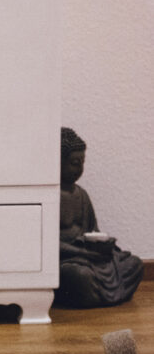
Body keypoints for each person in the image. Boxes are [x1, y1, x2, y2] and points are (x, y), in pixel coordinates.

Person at [57, 127, 143, 308]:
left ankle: (92, 295)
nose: (79, 168)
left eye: (82, 162)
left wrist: (103, 245)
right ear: (58, 161)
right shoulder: (50, 197)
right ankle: (84, 295)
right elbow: (48, 243)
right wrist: (82, 252)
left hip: (87, 256)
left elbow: (91, 230)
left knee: (133, 264)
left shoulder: (82, 194)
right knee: (80, 276)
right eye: (74, 162)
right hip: (67, 258)